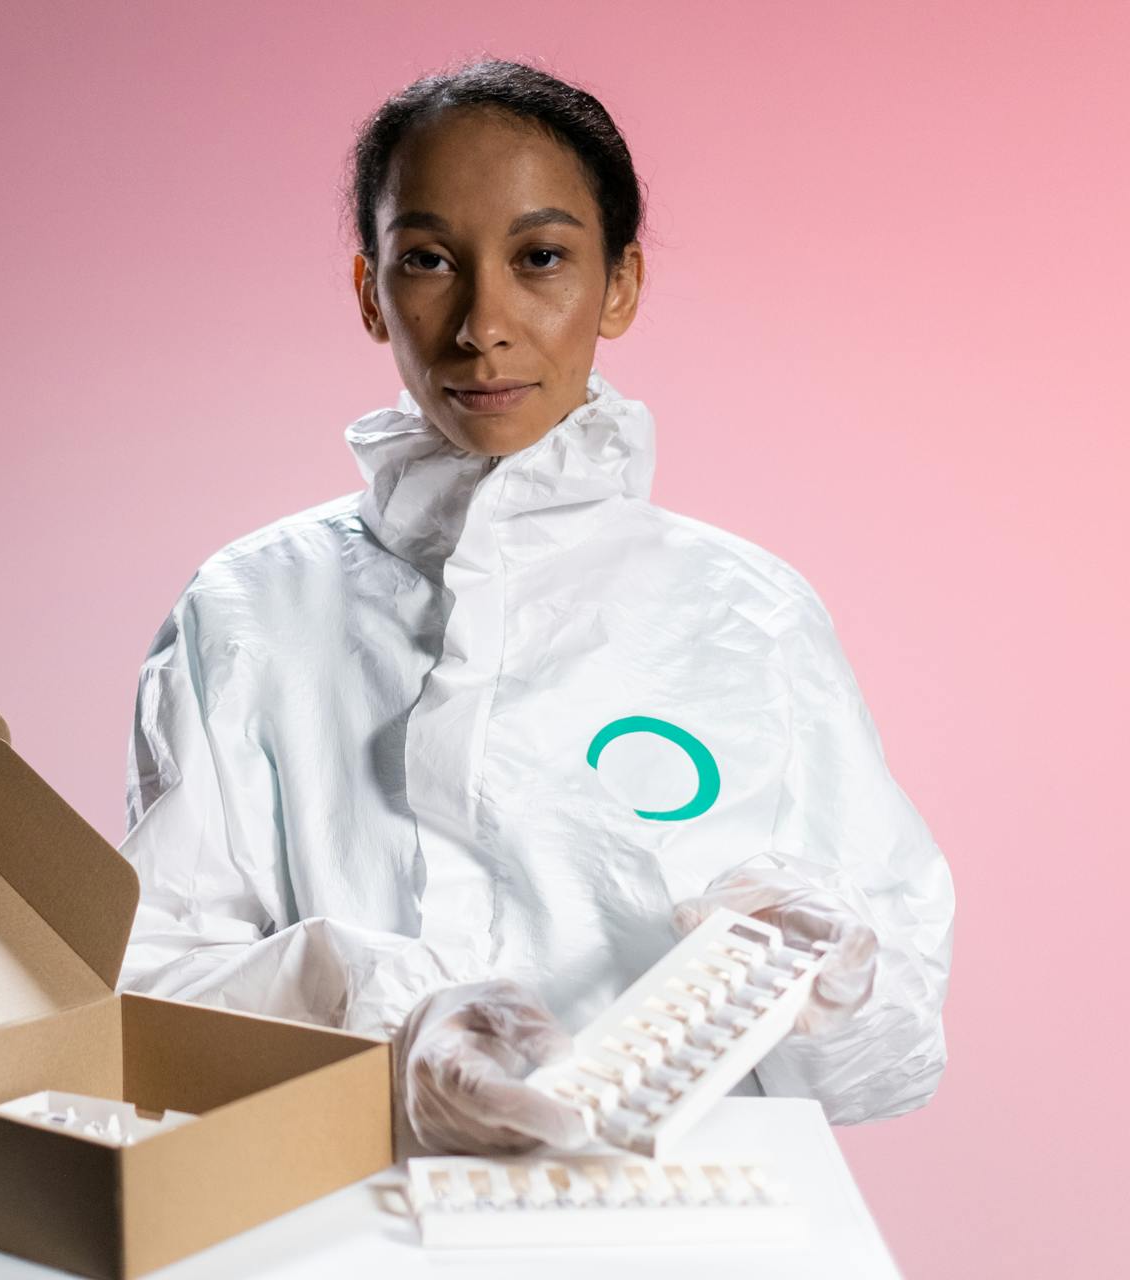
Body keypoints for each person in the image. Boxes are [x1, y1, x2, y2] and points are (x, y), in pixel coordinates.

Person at [113, 58, 954, 1156]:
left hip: (677, 1221)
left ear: (620, 284)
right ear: (372, 291)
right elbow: (151, 990)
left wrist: (834, 976)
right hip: (356, 1214)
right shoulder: (249, 608)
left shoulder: (746, 613)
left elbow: (887, 1057)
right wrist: (385, 1023)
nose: (483, 323)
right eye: (427, 261)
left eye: (542, 257)